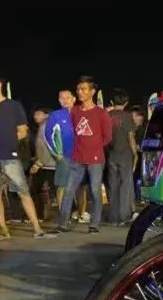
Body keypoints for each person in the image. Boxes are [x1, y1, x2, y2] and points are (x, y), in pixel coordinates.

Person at [0, 69, 49, 239]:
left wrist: (6, 140)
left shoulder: (14, 106)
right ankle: (4, 231)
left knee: (23, 190)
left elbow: (22, 131)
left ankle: (37, 229)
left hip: (10, 155)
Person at [56, 76, 111, 234]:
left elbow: (107, 137)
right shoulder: (74, 111)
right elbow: (71, 131)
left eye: (84, 89)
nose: (80, 92)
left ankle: (94, 224)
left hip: (95, 159)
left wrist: (93, 147)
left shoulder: (101, 113)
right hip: (77, 158)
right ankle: (63, 224)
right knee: (69, 190)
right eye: (78, 89)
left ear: (92, 92)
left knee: (95, 191)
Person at [106, 90, 137, 226]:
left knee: (113, 185)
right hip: (125, 154)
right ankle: (123, 217)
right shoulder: (128, 116)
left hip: (111, 153)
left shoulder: (107, 115)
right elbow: (131, 136)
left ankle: (113, 217)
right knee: (126, 185)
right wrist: (135, 153)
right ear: (126, 103)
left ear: (112, 102)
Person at [45, 88, 77, 213]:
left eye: (67, 97)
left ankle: (79, 213)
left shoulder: (80, 113)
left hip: (80, 156)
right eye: (62, 98)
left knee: (80, 186)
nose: (65, 100)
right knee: (62, 186)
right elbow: (48, 135)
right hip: (64, 156)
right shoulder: (56, 115)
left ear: (74, 99)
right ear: (59, 100)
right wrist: (56, 153)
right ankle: (63, 214)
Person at [28, 107, 58, 223]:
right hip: (47, 164)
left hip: (48, 165)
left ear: (46, 115)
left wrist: (38, 164)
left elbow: (47, 148)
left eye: (39, 114)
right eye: (35, 114)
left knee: (39, 190)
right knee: (52, 191)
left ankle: (40, 215)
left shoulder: (45, 127)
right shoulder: (43, 127)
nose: (36, 116)